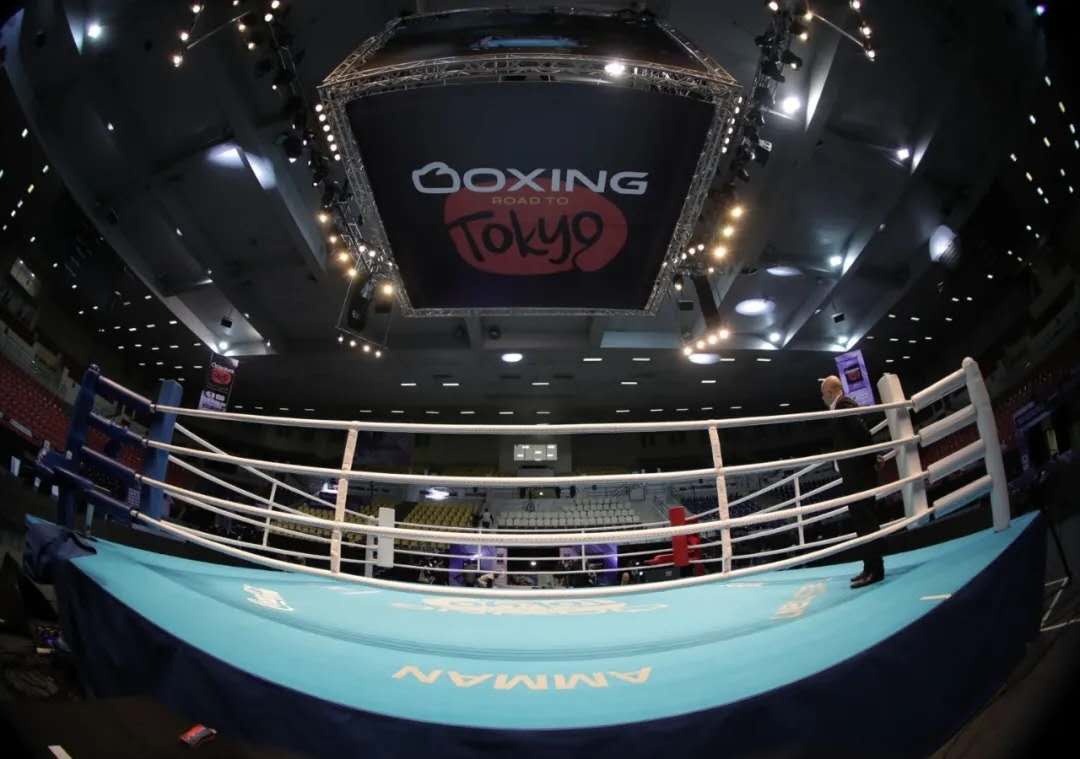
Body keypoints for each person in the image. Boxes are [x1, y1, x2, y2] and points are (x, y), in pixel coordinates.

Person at [820, 376, 885, 589]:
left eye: (823, 394)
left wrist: (873, 458)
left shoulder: (844, 405)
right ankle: (869, 567)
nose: (822, 398)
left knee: (866, 521)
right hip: (854, 474)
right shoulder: (838, 408)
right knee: (860, 521)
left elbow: (862, 434)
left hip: (859, 473)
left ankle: (875, 570)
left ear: (830, 392)